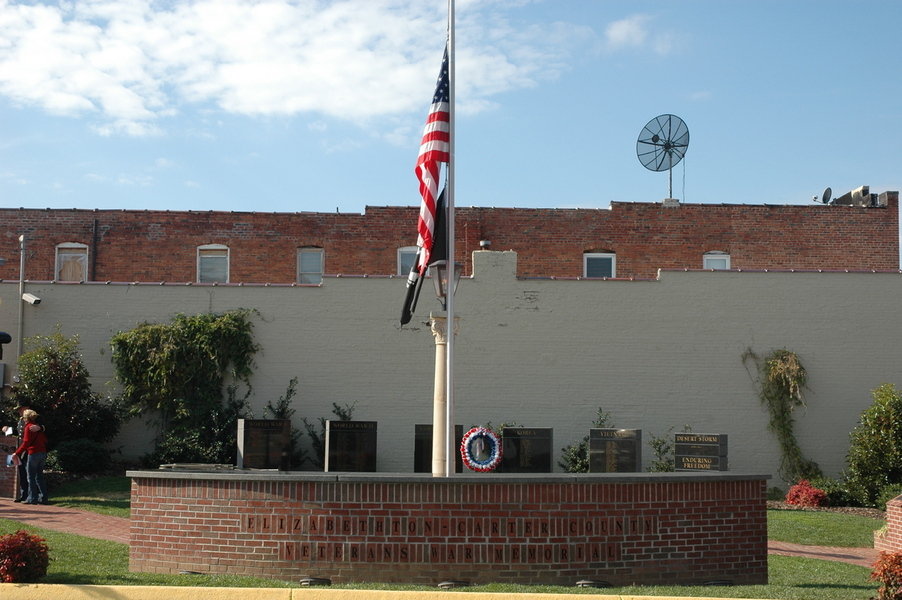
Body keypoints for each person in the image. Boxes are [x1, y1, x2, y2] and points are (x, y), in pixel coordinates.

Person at [14, 409, 48, 505]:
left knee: (31, 477)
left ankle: (33, 498)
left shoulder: (28, 427)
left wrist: (17, 453)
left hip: (33, 453)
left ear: (26, 418)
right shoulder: (37, 427)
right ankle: (44, 497)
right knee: (39, 476)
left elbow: (26, 442)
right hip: (42, 452)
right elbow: (44, 439)